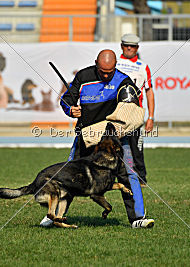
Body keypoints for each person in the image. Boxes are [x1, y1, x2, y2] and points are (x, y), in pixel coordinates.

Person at [41, 49, 154, 228]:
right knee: (68, 173)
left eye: (110, 72)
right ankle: (54, 216)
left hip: (113, 138)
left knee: (130, 174)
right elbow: (66, 100)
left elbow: (132, 108)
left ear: (115, 66)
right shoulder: (83, 76)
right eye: (103, 72)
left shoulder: (123, 81)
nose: (107, 75)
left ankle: (137, 219)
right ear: (96, 63)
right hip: (86, 135)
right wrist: (71, 109)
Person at [116, 33, 155, 187]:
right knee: (112, 144)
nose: (130, 48)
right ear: (122, 46)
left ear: (137, 48)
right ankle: (114, 177)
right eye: (127, 45)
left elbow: (149, 91)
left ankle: (141, 177)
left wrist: (151, 117)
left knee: (136, 147)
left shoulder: (143, 66)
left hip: (135, 113)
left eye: (133, 46)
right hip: (116, 112)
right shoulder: (114, 62)